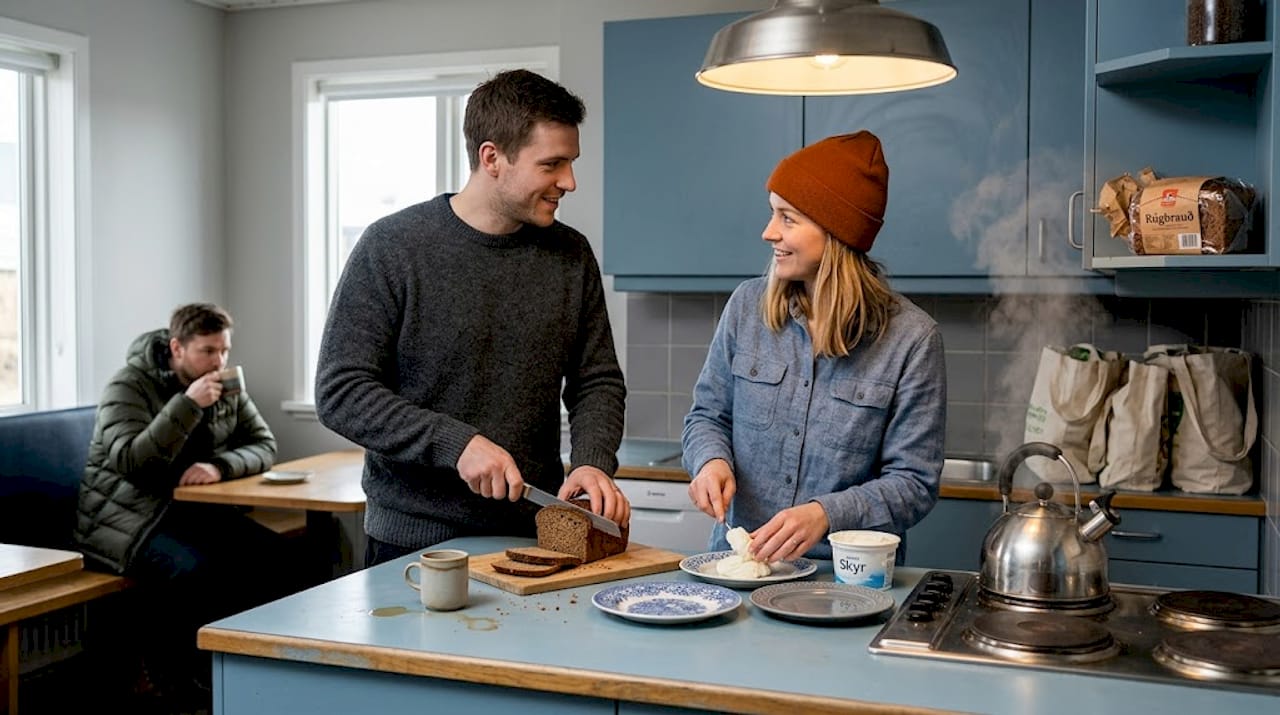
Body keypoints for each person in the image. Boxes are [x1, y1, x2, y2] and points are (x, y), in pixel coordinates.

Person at [315, 69, 629, 568]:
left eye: (570, 162)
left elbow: (597, 380)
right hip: (412, 545)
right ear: (492, 158)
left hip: (533, 539)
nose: (569, 182)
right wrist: (456, 444)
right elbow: (342, 391)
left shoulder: (571, 255)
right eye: (552, 164)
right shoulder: (393, 248)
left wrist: (593, 462)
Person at [682, 131, 946, 564]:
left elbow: (914, 483)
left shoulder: (912, 340)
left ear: (836, 230)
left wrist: (826, 515)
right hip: (737, 572)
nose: (769, 233)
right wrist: (710, 461)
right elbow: (708, 416)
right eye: (773, 214)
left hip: (846, 581)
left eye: (788, 218)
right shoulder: (746, 307)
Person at [73, 303, 310, 707]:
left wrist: (220, 466)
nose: (219, 361)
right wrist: (187, 404)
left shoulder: (225, 383)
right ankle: (181, 682)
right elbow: (131, 462)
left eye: (224, 350)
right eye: (208, 351)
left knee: (277, 559)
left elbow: (265, 445)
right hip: (128, 522)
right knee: (196, 571)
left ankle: (251, 672)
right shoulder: (128, 385)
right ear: (177, 347)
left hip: (195, 510)